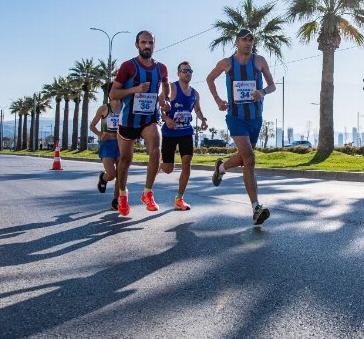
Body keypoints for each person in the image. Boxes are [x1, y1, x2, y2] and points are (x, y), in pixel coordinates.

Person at [206, 28, 276, 225]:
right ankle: (256, 207)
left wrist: (262, 92)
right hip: (236, 117)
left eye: (251, 40)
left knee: (245, 158)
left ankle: (221, 167)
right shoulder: (227, 63)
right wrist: (218, 100)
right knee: (250, 158)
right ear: (236, 42)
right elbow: (210, 78)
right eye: (244, 40)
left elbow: (272, 86)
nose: (248, 43)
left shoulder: (259, 61)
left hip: (255, 117)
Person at [110, 31, 170, 216]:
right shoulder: (128, 66)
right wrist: (135, 89)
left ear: (155, 44)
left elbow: (165, 87)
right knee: (125, 161)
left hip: (150, 118)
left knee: (155, 151)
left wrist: (164, 99)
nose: (147, 46)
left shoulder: (161, 68)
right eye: (143, 42)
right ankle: (122, 195)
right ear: (137, 45)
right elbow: (113, 94)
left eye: (150, 42)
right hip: (129, 120)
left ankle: (147, 193)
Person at [159, 61, 209, 211]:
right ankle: (162, 161)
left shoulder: (195, 93)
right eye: (184, 70)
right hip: (170, 133)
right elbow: (158, 106)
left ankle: (179, 199)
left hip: (186, 132)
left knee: (187, 162)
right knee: (168, 169)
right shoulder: (172, 88)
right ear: (178, 73)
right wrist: (166, 118)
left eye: (190, 71)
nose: (188, 73)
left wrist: (203, 119)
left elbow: (198, 109)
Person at [88, 82, 121, 210]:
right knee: (112, 174)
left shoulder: (125, 108)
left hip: (121, 143)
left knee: (120, 174)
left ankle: (116, 200)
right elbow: (92, 125)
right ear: (109, 94)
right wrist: (100, 134)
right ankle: (103, 177)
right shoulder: (103, 109)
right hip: (107, 144)